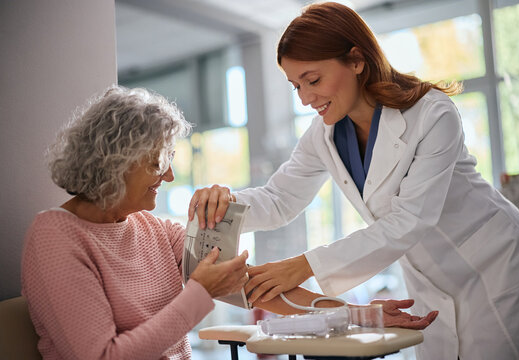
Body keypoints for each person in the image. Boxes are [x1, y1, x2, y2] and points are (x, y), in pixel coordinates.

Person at [188, 2, 519, 360]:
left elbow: (410, 219)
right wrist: (224, 205)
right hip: (428, 281)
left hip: (496, 264)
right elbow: (280, 199)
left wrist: (302, 266)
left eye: (313, 80)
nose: (307, 99)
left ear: (357, 61)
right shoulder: (322, 135)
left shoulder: (432, 113)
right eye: (296, 87)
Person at [21, 86, 436, 360]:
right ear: (116, 163)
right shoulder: (56, 237)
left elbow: (256, 288)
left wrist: (360, 315)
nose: (167, 178)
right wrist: (201, 293)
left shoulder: (155, 231)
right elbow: (102, 357)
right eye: (157, 163)